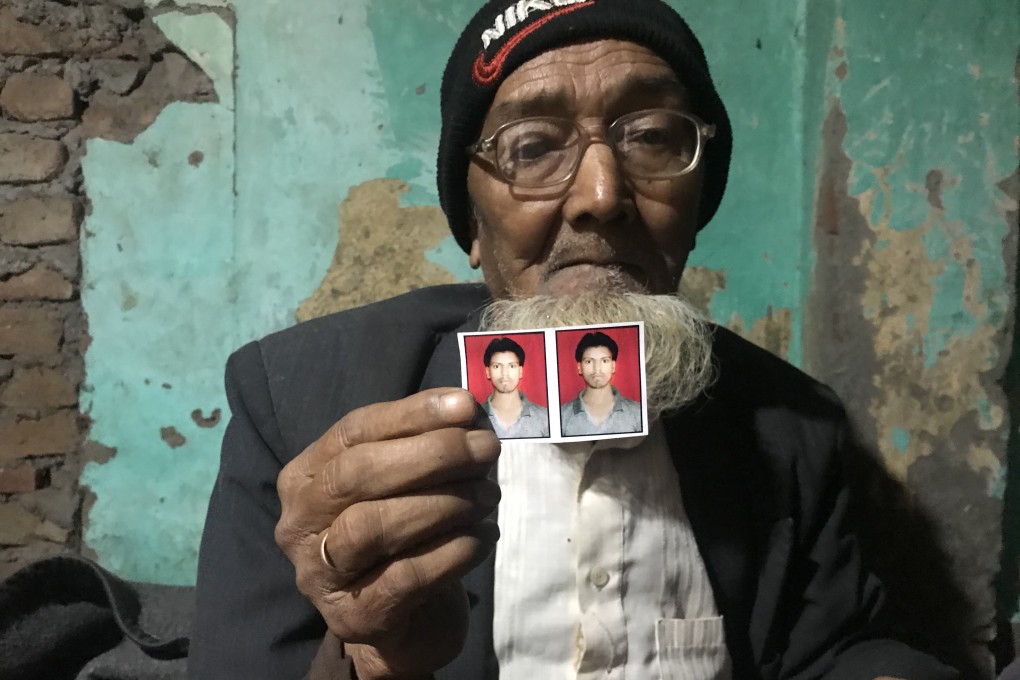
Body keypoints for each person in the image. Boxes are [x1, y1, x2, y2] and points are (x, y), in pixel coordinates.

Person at [189, 1, 961, 679]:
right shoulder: (296, 402)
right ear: (473, 227)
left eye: (653, 137)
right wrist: (377, 662)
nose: (601, 196)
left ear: (696, 203)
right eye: (531, 148)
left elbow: (834, 646)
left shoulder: (794, 427)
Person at [560, 330, 643, 436]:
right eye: (589, 361)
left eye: (604, 361)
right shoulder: (561, 416)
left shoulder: (638, 413)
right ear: (579, 367)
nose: (597, 369)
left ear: (613, 366)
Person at [480, 337, 550, 439]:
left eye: (512, 366)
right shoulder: (474, 417)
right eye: (497, 366)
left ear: (520, 371)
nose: (505, 374)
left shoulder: (544, 417)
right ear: (487, 372)